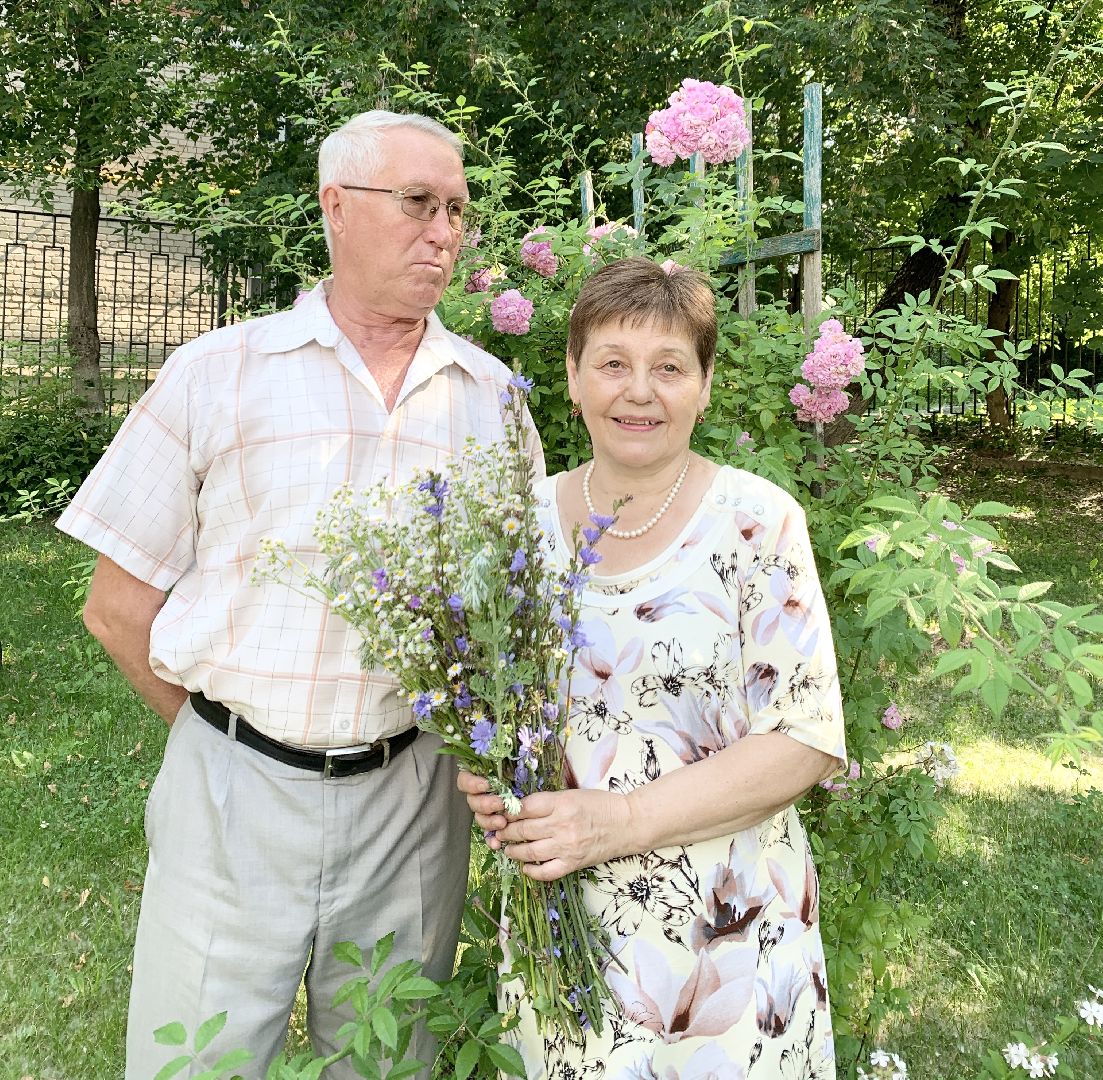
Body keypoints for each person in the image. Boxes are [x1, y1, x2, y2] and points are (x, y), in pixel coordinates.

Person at [57, 110, 543, 1079]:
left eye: (456, 210)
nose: (443, 232)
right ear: (336, 206)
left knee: (385, 1061)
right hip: (230, 792)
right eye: (418, 203)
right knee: (195, 1060)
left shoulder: (490, 400)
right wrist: (227, 746)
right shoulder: (218, 374)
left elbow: (520, 616)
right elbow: (115, 607)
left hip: (414, 800)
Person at [459, 257, 846, 1079]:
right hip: (564, 931)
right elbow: (497, 711)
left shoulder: (758, 522)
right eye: (612, 363)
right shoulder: (515, 527)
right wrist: (490, 778)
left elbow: (805, 740)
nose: (639, 391)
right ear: (572, 378)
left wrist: (623, 820)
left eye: (669, 367)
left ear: (703, 387)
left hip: (728, 936)